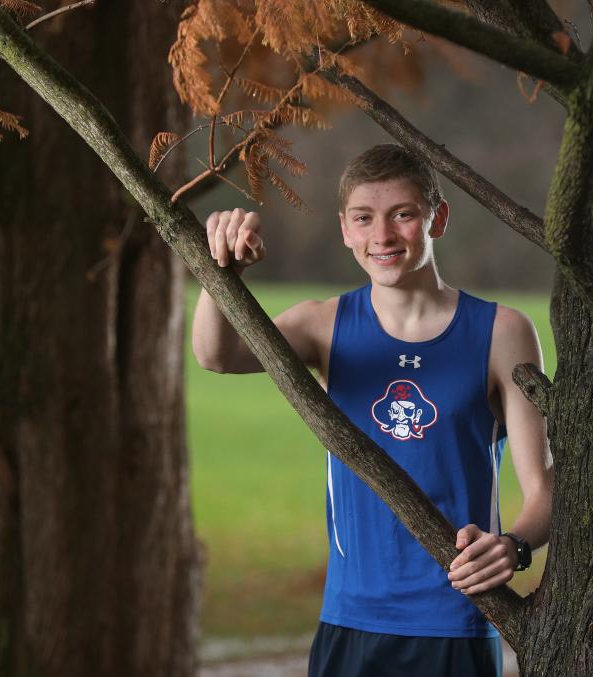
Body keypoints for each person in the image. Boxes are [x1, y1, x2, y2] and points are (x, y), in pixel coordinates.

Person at [191, 144, 553, 677]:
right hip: (351, 620)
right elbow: (215, 355)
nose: (381, 237)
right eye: (364, 218)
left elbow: (544, 485)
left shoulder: (502, 332)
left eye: (402, 215)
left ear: (439, 219)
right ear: (345, 228)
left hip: (455, 621)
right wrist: (220, 271)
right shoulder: (325, 325)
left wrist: (515, 546)